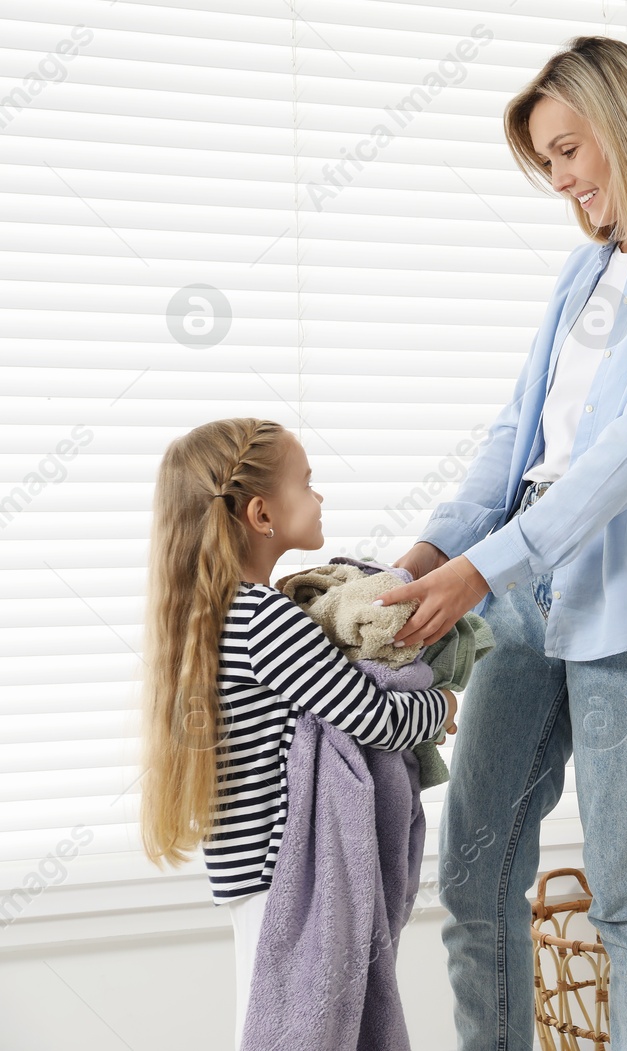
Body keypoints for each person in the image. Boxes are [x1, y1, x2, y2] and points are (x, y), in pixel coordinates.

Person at [372, 35, 627, 1051]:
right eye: (547, 163)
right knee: (472, 871)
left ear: (626, 124)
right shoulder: (584, 273)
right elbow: (521, 441)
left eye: (566, 152)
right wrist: (425, 558)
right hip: (527, 597)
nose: (560, 183)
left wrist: (480, 568)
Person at [136, 417, 458, 1050]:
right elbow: (371, 716)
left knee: (266, 1023)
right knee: (283, 1031)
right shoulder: (267, 622)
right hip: (285, 873)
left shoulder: (219, 611)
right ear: (262, 513)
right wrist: (438, 704)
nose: (319, 497)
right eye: (307, 483)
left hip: (246, 870)